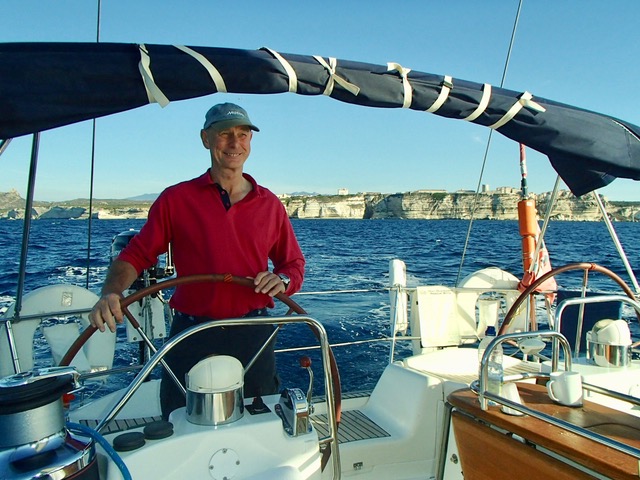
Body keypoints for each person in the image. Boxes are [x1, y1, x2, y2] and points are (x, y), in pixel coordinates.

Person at [89, 102, 305, 419]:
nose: (235, 143)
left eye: (243, 134)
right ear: (206, 139)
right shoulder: (176, 199)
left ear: (250, 141)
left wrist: (282, 280)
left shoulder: (270, 204)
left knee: (260, 419)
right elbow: (137, 253)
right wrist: (111, 292)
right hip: (192, 330)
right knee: (178, 417)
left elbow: (293, 264)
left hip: (253, 329)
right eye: (225, 134)